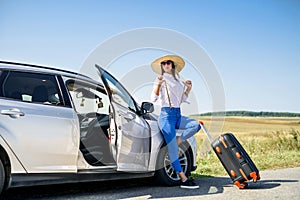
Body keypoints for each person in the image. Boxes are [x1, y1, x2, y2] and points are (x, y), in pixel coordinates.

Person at [150, 55, 201, 189]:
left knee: (195, 125)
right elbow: (153, 98)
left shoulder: (178, 80)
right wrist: (158, 86)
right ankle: (183, 179)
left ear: (172, 65)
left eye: (169, 63)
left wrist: (188, 89)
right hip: (166, 116)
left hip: (178, 114)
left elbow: (182, 99)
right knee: (173, 150)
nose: (166, 65)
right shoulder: (160, 79)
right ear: (162, 66)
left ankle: (178, 140)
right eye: (164, 63)